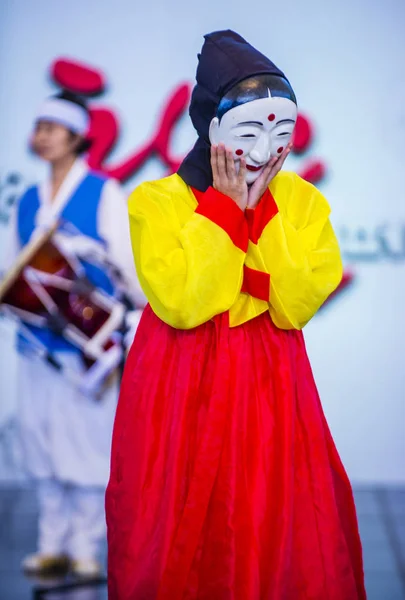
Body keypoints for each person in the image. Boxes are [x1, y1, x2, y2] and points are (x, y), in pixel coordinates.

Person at [106, 30, 366, 599]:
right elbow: (182, 302)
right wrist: (225, 210)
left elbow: (297, 301)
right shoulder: (157, 201)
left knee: (273, 511)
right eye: (250, 129)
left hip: (270, 374)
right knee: (174, 513)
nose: (268, 147)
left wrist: (262, 213)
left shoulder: (301, 201)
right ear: (211, 128)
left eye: (283, 130)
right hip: (180, 378)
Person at [5, 90, 145, 577]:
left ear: (76, 136)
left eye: (51, 127)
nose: (41, 136)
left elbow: (129, 268)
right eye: (38, 126)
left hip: (88, 347)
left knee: (87, 444)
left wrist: (129, 310)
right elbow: (10, 268)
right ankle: (51, 544)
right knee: (39, 441)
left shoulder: (103, 191)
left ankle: (86, 547)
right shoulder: (25, 199)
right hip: (35, 347)